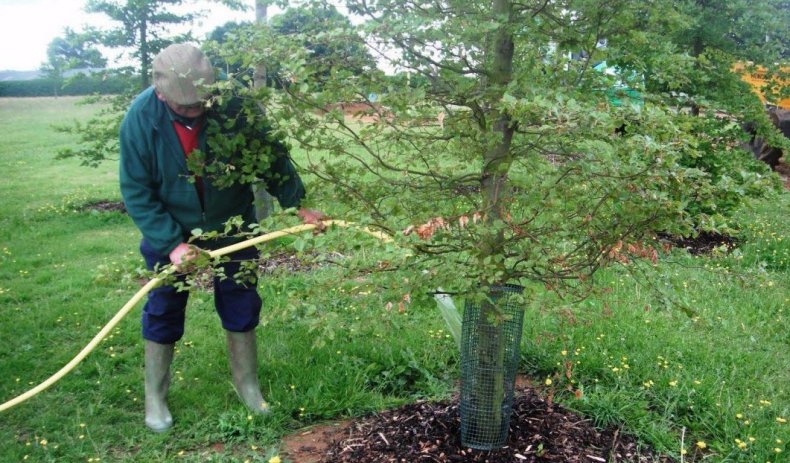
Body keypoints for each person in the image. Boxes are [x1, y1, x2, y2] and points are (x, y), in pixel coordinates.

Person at [119, 43, 324, 432]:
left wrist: (298, 203)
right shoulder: (140, 118)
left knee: (241, 299)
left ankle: (247, 386)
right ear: (161, 94)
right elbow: (136, 191)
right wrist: (172, 243)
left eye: (202, 101)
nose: (196, 110)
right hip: (171, 228)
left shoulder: (235, 105)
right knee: (163, 305)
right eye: (185, 106)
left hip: (233, 222)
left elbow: (272, 155)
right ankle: (155, 398)